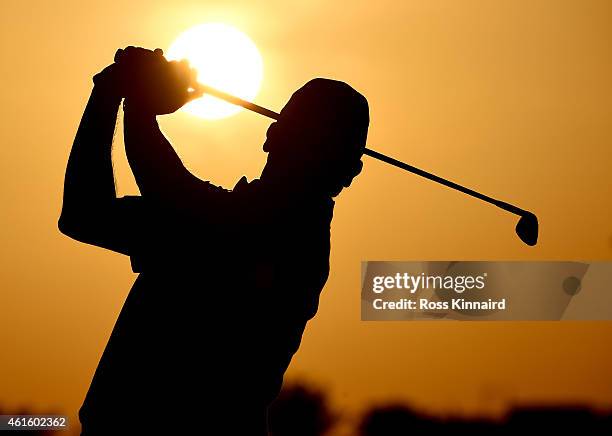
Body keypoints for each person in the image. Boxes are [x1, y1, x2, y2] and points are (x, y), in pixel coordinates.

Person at [59, 46, 369, 435]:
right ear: (271, 134)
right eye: (304, 135)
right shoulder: (214, 218)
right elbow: (85, 215)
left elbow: (169, 188)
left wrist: (138, 102)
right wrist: (108, 94)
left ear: (348, 171)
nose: (304, 152)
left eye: (319, 145)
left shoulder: (286, 237)